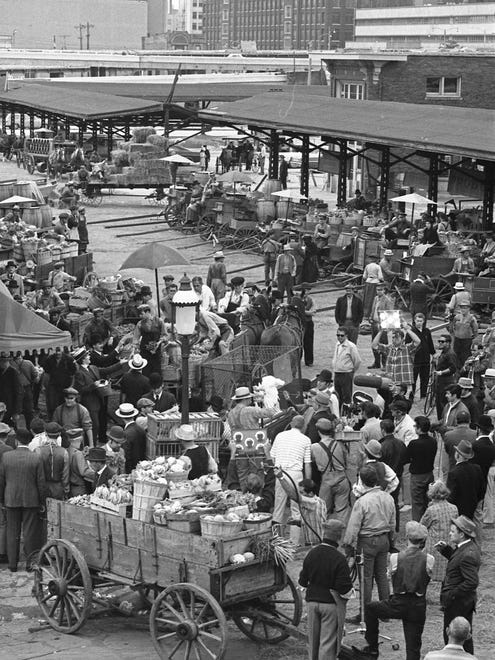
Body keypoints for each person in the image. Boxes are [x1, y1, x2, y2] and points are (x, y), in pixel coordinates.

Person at [362, 521, 434, 660]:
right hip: (418, 605)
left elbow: (390, 576)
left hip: (398, 603)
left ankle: (372, 649)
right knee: (413, 647)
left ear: (407, 537)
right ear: (423, 541)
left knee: (370, 608)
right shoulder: (429, 559)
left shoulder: (395, 557)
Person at [298, 519, 354, 660]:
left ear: (325, 533)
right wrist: (351, 593)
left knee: (313, 642)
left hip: (311, 604)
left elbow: (302, 581)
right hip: (330, 605)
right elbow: (343, 588)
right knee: (327, 644)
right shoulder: (339, 558)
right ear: (339, 537)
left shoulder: (311, 553)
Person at [342, 466, 396, 609]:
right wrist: (391, 541)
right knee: (382, 575)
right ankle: (385, 610)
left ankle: (365, 613)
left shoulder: (362, 501)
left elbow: (353, 527)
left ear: (362, 481)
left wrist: (347, 545)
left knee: (366, 578)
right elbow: (392, 523)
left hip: (367, 542)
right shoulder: (388, 497)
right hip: (384, 540)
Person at [0, 428, 46, 572]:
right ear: (29, 440)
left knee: (12, 531)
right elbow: (41, 483)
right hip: (31, 500)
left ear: (16, 440)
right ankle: (29, 564)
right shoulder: (36, 457)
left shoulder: (6, 457)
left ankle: (12, 564)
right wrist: (42, 502)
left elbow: (1, 480)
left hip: (11, 499)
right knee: (30, 532)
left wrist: (2, 499)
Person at [437, 516, 481, 655]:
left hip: (459, 603)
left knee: (457, 637)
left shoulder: (468, 553)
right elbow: (459, 562)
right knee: (460, 636)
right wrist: (446, 550)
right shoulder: (465, 547)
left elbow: (472, 582)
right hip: (460, 601)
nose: (449, 533)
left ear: (462, 534)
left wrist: (452, 594)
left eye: (452, 531)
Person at [271, 415, 312, 541]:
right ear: (303, 426)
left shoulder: (280, 436)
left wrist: (277, 468)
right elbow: (307, 463)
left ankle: (276, 539)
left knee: (279, 506)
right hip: (296, 474)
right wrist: (308, 482)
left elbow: (272, 456)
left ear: (291, 424)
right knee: (296, 508)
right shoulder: (306, 440)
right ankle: (294, 541)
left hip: (281, 472)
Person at [311, 418, 350, 523]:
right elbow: (346, 461)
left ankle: (324, 536)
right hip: (342, 480)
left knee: (323, 512)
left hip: (326, 481)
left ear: (319, 431)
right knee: (342, 510)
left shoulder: (314, 447)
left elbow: (312, 462)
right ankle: (341, 536)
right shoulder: (340, 444)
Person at [420, 481, 459, 583]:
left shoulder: (431, 510)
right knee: (447, 576)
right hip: (449, 546)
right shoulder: (454, 508)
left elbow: (421, 527)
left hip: (434, 547)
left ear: (432, 494)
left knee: (426, 573)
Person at [402, 416, 437, 521]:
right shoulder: (433, 441)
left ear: (419, 428)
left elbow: (405, 459)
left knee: (417, 503)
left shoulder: (414, 444)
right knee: (428, 501)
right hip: (429, 474)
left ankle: (418, 527)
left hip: (417, 476)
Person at [372, 320, 420, 394]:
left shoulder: (407, 348)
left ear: (403, 339)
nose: (395, 339)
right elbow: (374, 345)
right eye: (393, 337)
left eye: (397, 337)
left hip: (404, 384)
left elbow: (417, 341)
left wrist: (407, 329)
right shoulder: (389, 348)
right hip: (391, 383)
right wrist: (381, 331)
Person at [73, 347, 106, 445]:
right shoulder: (79, 373)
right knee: (93, 426)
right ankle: (90, 445)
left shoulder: (91, 368)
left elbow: (106, 370)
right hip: (89, 403)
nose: (89, 356)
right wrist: (94, 385)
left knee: (96, 426)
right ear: (83, 359)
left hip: (97, 401)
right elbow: (81, 390)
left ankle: (92, 445)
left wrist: (120, 364)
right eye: (87, 355)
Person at [447, 440, 485, 520]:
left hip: (458, 510)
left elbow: (451, 496)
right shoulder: (477, 468)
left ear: (457, 455)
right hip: (473, 507)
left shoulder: (453, 473)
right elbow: (482, 490)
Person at [35, 427, 69, 500]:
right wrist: (66, 490)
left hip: (43, 488)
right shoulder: (64, 452)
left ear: (46, 434)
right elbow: (65, 475)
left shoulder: (38, 451)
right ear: (59, 434)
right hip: (58, 488)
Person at [473, 415, 495, 526]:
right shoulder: (491, 445)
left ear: (479, 429)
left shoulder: (476, 445)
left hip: (478, 476)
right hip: (487, 472)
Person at [43, 347, 77, 419]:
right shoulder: (49, 359)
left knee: (64, 403)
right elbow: (46, 372)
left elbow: (73, 373)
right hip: (53, 385)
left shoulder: (69, 359)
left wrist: (71, 386)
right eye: (56, 351)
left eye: (59, 351)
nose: (58, 353)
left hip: (65, 385)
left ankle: (64, 419)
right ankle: (53, 419)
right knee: (52, 404)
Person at [332, 326, 362, 407]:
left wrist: (351, 371)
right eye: (338, 335)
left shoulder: (351, 346)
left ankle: (346, 413)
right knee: (338, 395)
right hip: (337, 373)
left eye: (342, 335)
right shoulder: (337, 345)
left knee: (346, 396)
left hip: (346, 373)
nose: (340, 337)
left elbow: (357, 360)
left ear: (346, 336)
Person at [115, 403, 147, 474]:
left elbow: (126, 455)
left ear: (122, 417)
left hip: (131, 469)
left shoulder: (126, 433)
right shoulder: (141, 429)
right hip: (141, 466)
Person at [368, 283, 394, 368]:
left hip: (382, 325)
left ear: (384, 290)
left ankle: (384, 364)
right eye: (377, 290)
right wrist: (371, 317)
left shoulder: (387, 300)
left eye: (380, 290)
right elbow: (373, 308)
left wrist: (386, 326)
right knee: (374, 343)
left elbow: (390, 313)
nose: (379, 291)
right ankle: (377, 363)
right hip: (374, 323)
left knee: (383, 344)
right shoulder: (376, 298)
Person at [410, 313, 434, 400]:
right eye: (417, 321)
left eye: (421, 321)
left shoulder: (427, 331)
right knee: (413, 379)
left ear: (423, 321)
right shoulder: (411, 332)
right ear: (414, 321)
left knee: (425, 379)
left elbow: (430, 344)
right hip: (415, 360)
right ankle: (411, 396)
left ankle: (423, 395)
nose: (419, 323)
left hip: (425, 359)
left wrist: (433, 354)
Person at [434, 335, 458, 420]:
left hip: (446, 382)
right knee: (439, 403)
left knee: (443, 404)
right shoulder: (443, 352)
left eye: (442, 341)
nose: (440, 343)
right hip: (440, 382)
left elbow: (453, 368)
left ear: (448, 343)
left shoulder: (450, 354)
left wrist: (441, 372)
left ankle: (444, 422)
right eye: (439, 341)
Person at [66, 428, 94, 497]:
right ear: (80, 440)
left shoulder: (67, 450)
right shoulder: (78, 454)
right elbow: (84, 471)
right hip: (79, 488)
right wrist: (97, 474)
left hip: (70, 487)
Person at [451, 303, 478, 370]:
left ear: (469, 309)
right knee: (456, 357)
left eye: (465, 308)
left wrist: (473, 340)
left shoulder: (472, 319)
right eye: (461, 308)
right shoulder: (457, 317)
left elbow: (475, 330)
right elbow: (452, 327)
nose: (463, 310)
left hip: (467, 341)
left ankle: (464, 372)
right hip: (457, 340)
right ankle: (456, 373)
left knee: (465, 357)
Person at [0, 352, 23, 427]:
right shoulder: (1, 371)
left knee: (10, 428)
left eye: (3, 361)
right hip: (1, 406)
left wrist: (16, 412)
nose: (1, 363)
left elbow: (19, 392)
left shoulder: (13, 372)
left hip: (10, 407)